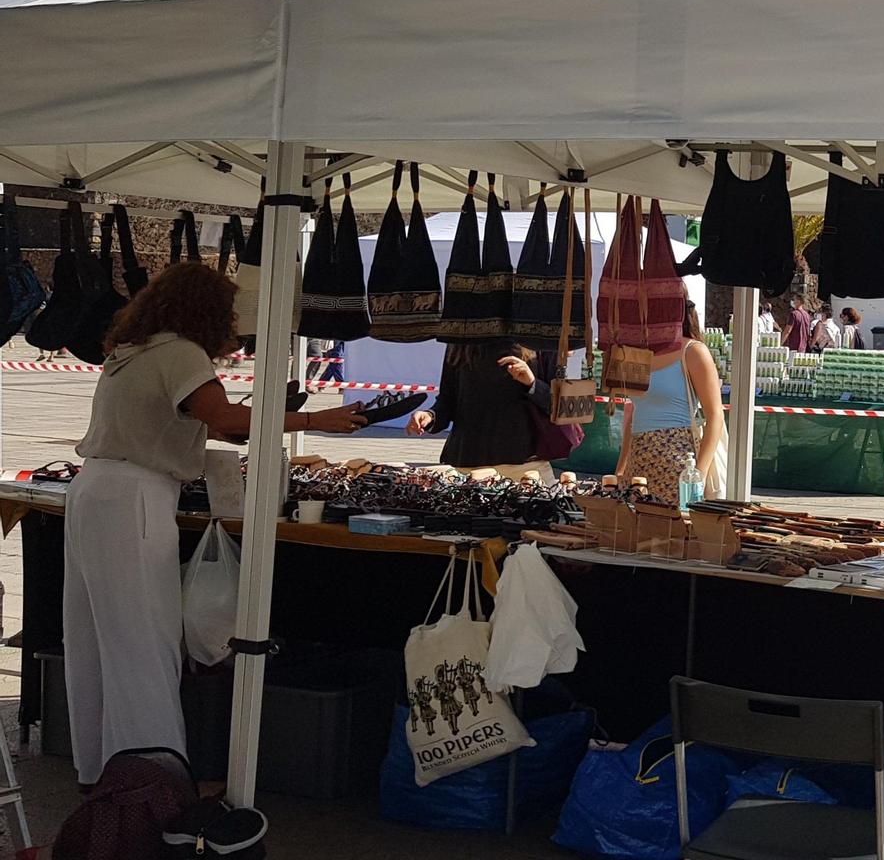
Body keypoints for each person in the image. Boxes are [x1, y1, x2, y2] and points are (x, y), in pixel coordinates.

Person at [66, 263, 366, 784]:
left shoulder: (135, 349)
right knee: (145, 635)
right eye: (226, 309)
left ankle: (99, 766)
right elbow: (224, 419)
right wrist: (316, 420)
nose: (232, 319)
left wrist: (253, 419)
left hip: (97, 489)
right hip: (134, 494)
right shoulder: (180, 352)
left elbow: (198, 421)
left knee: (95, 633)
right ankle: (151, 773)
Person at [617, 303, 725, 502]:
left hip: (679, 465)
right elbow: (634, 414)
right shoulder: (638, 352)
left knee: (677, 528)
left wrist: (697, 476)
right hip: (638, 464)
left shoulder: (693, 352)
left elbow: (715, 415)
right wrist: (620, 470)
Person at [406, 339, 555, 478]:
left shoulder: (538, 338)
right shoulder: (459, 340)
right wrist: (430, 416)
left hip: (525, 465)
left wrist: (532, 383)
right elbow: (447, 401)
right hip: (469, 461)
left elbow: (556, 406)